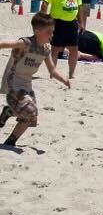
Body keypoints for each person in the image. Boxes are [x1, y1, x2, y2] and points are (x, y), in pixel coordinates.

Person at [0, 13, 70, 147]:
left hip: (26, 86)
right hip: (12, 84)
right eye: (48, 32)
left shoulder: (46, 49)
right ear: (37, 31)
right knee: (31, 111)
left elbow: (52, 70)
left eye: (52, 32)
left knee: (31, 118)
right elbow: (6, 44)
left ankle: (10, 137)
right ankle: (9, 118)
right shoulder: (25, 43)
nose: (52, 35)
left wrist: (64, 80)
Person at [40, 0, 82, 78]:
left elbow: (79, 6)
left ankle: (71, 74)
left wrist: (81, 22)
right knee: (56, 49)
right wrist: (44, 22)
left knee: (74, 49)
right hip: (57, 23)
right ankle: (52, 74)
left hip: (72, 23)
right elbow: (45, 4)